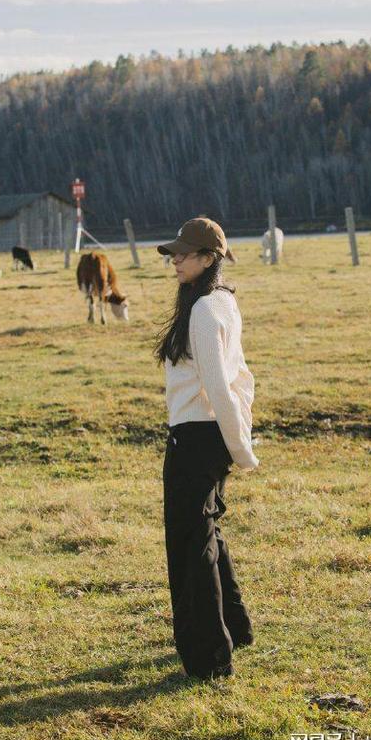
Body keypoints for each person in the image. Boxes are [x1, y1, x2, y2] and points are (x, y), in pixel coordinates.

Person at [153, 216, 259, 681]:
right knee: (207, 535)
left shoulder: (203, 310)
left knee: (190, 545)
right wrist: (236, 441)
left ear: (208, 258)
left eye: (184, 253)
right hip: (206, 437)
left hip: (196, 438)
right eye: (174, 253)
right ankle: (235, 628)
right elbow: (241, 377)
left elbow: (220, 386)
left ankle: (211, 657)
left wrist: (242, 448)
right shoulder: (221, 302)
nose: (175, 260)